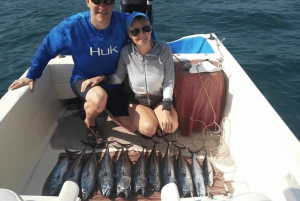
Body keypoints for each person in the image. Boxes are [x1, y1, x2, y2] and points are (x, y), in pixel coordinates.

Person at [8, 0, 137, 146]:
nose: (103, 6)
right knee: (100, 98)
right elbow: (48, 47)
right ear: (87, 2)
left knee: (133, 127)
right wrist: (32, 74)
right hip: (83, 80)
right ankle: (90, 121)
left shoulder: (122, 21)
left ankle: (100, 107)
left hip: (112, 82)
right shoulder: (73, 25)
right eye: (96, 1)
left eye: (108, 1)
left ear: (114, 3)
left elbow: (143, 26)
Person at [101, 12, 179, 137]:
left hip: (159, 99)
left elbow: (169, 82)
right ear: (129, 35)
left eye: (145, 29)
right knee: (149, 130)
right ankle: (147, 120)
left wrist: (166, 108)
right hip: (138, 100)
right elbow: (118, 78)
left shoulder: (164, 49)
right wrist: (102, 79)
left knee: (171, 127)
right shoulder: (126, 52)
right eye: (135, 31)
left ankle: (155, 118)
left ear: (151, 29)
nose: (141, 34)